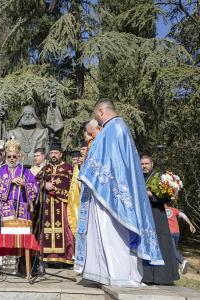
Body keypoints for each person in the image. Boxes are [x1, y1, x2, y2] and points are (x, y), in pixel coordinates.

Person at [75, 98, 163, 287]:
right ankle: (105, 274)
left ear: (100, 111)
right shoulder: (119, 127)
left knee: (112, 234)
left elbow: (104, 163)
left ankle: (118, 276)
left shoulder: (112, 129)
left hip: (109, 193)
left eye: (95, 116)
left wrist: (85, 173)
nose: (96, 120)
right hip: (114, 189)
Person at [141, 154, 180, 285]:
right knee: (146, 244)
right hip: (144, 216)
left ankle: (163, 278)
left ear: (151, 164)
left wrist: (151, 195)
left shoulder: (159, 177)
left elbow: (166, 198)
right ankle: (147, 277)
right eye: (142, 164)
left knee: (161, 244)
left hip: (157, 215)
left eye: (146, 164)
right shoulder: (139, 177)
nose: (144, 166)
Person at [38, 142, 74, 266]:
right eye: (52, 153)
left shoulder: (68, 168)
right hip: (47, 203)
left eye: (56, 153)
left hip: (61, 203)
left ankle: (64, 259)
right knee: (46, 229)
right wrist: (44, 184)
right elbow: (36, 181)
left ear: (61, 154)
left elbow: (72, 186)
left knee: (64, 230)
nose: (53, 155)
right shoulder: (45, 168)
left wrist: (57, 191)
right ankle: (47, 258)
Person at [0, 139, 39, 221]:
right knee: (7, 232)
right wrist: (10, 180)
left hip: (22, 206)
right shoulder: (0, 170)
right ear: (6, 157)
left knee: (21, 233)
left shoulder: (26, 171)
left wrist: (25, 184)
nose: (11, 159)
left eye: (14, 156)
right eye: (9, 156)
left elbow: (35, 188)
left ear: (18, 156)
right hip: (6, 207)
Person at [165, 203, 196, 274]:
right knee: (175, 249)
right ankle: (177, 267)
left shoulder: (161, 210)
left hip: (169, 233)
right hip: (176, 232)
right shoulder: (174, 209)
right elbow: (183, 215)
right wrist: (190, 224)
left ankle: (183, 261)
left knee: (173, 250)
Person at [67, 150, 82, 237]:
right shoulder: (68, 169)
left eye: (77, 159)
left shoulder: (80, 169)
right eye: (74, 159)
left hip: (78, 199)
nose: (75, 161)